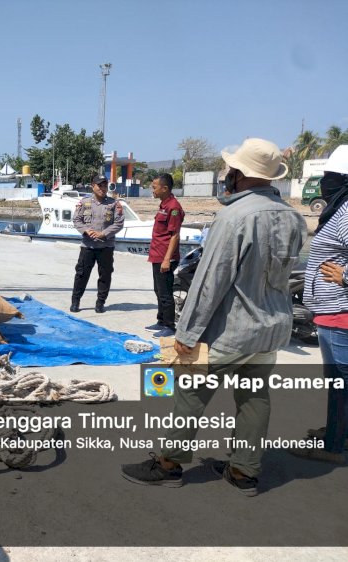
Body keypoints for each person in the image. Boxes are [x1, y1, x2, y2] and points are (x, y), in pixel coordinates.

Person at [121, 138, 307, 496]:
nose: (226, 174)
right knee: (254, 398)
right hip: (270, 330)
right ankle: (243, 471)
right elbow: (290, 277)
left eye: (230, 169)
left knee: (190, 393)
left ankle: (169, 464)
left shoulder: (234, 217)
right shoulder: (293, 218)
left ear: (239, 174)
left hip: (230, 331)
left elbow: (210, 282)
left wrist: (187, 332)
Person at [297, 144, 348, 464]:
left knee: (340, 383)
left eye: (330, 176)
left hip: (340, 312)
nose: (324, 182)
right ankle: (338, 432)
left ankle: (334, 447)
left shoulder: (346, 211)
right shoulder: (339, 207)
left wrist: (344, 276)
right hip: (332, 311)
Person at [69, 174, 125, 313]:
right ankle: (75, 301)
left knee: (105, 275)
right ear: (92, 186)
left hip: (106, 247)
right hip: (88, 246)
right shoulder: (84, 202)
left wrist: (103, 233)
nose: (103, 188)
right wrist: (86, 231)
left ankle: (100, 302)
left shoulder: (114, 204)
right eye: (99, 185)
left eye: (105, 185)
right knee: (81, 274)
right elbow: (77, 220)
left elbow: (119, 223)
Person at [145, 173, 184, 338]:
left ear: (165, 188)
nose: (152, 190)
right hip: (157, 254)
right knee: (158, 290)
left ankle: (169, 325)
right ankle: (161, 320)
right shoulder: (164, 205)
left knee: (165, 292)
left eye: (154, 187)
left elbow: (174, 235)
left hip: (165, 257)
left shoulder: (173, 208)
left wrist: (167, 259)